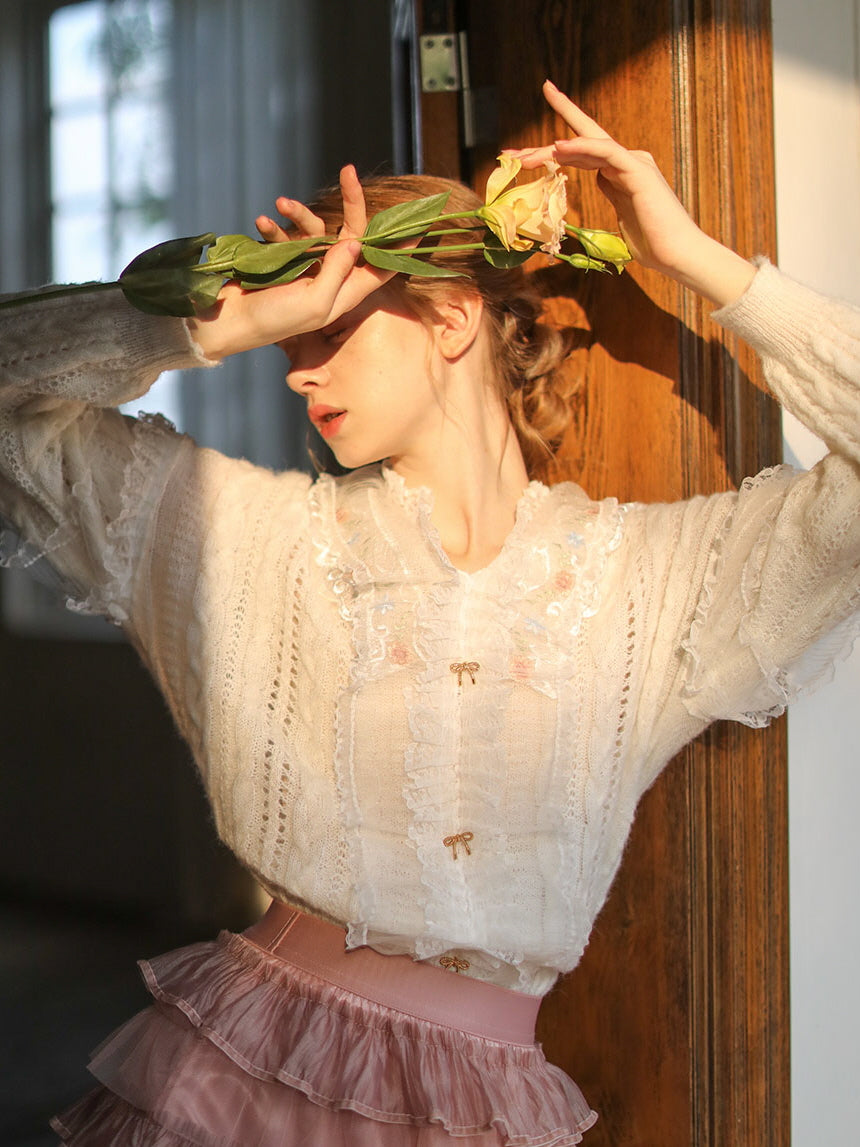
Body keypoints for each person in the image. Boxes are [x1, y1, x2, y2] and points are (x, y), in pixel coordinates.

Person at [1, 80, 858, 1146]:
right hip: (233, 1085)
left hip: (484, 1112)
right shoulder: (243, 536)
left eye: (332, 326)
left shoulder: (649, 583)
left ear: (450, 317)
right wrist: (224, 322)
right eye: (288, 342)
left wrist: (694, 260)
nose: (298, 369)